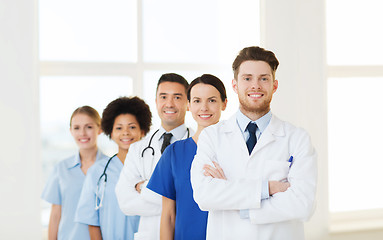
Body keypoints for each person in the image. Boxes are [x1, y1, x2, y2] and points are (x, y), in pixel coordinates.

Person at [190, 46, 317, 240]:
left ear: (274, 85)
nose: (255, 86)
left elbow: (303, 204)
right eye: (247, 78)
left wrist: (237, 203)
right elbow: (204, 196)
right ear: (235, 85)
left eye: (263, 79)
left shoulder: (297, 138)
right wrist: (268, 188)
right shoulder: (212, 136)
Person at [147, 74, 227, 240]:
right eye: (197, 101)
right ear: (189, 105)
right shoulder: (174, 153)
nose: (204, 108)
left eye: (212, 100)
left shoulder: (236, 151)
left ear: (224, 103)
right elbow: (168, 215)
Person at [115, 73, 193, 240]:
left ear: (188, 103)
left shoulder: (200, 145)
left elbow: (198, 198)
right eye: (163, 97)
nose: (169, 104)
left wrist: (144, 188)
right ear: (156, 101)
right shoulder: (138, 149)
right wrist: (177, 199)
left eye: (177, 97)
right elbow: (125, 202)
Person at [75, 97, 152, 240]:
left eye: (132, 127)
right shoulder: (97, 172)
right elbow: (92, 222)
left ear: (142, 131)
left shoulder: (153, 169)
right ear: (111, 132)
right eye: (119, 128)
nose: (126, 133)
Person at [41, 106, 108, 240]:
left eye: (88, 127)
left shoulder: (111, 167)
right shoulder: (61, 169)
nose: (82, 133)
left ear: (99, 129)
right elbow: (55, 215)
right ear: (71, 131)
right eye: (76, 128)